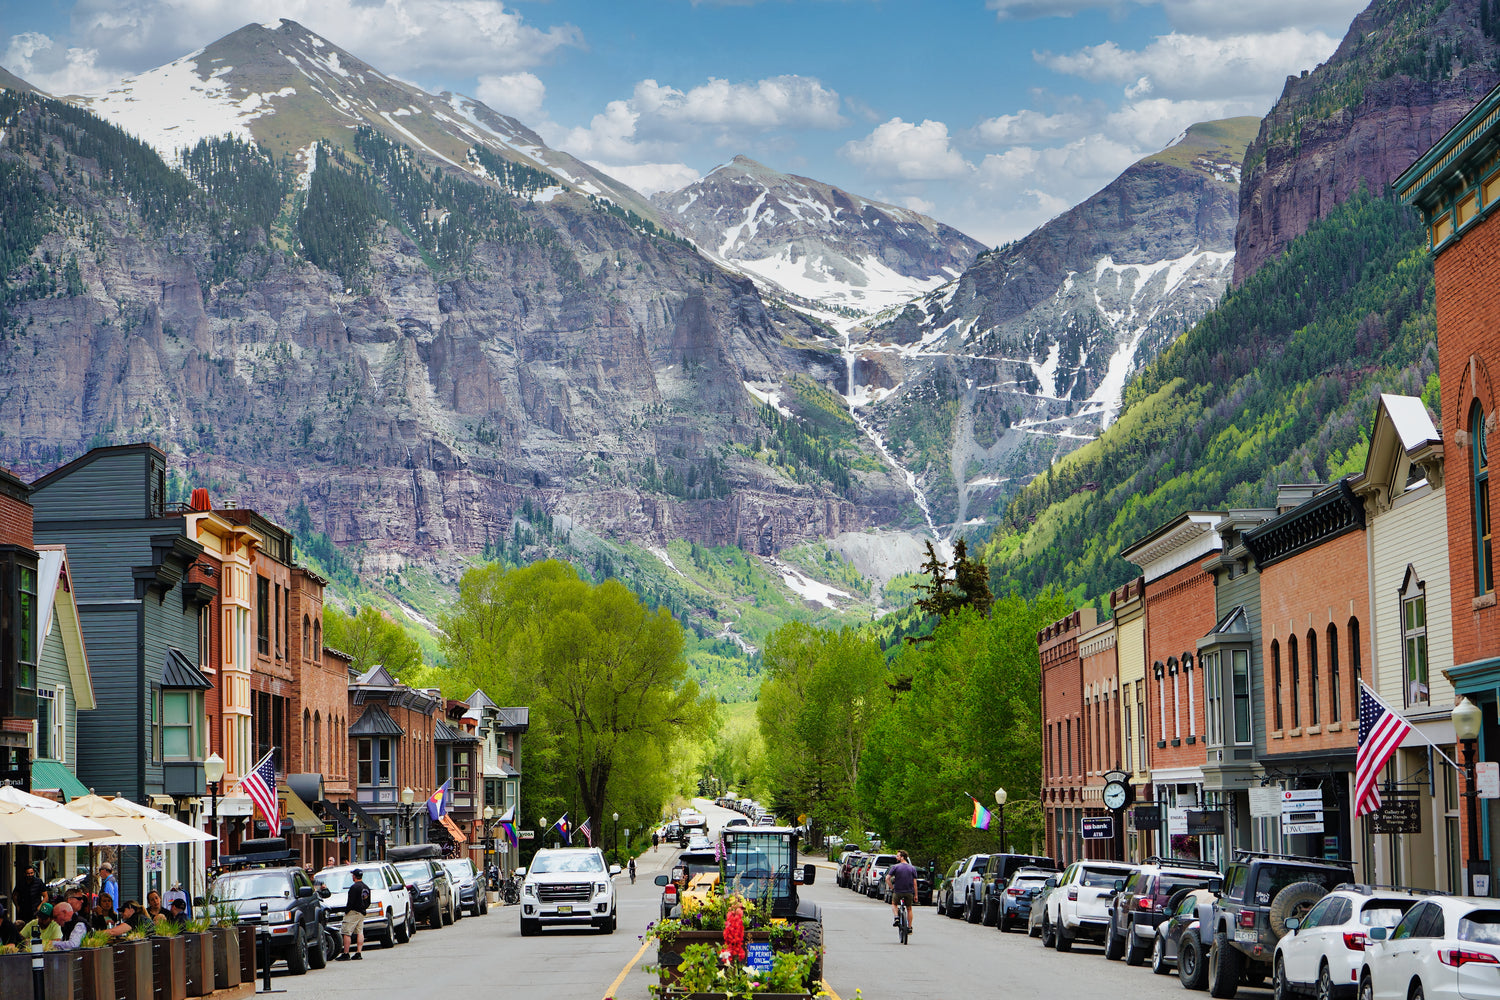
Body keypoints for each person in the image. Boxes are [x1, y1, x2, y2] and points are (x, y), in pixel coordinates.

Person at [337, 868, 370, 961]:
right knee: (360, 931)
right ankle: (358, 952)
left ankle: (346, 953)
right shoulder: (366, 887)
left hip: (353, 912)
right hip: (362, 912)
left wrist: (347, 911)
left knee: (346, 932)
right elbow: (368, 901)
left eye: (353, 875)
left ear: (354, 876)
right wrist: (363, 908)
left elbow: (350, 902)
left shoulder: (354, 887)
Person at [885, 850, 919, 934]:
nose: (896, 857)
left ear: (902, 857)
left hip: (898, 891)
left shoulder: (895, 867)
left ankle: (896, 917)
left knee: (894, 904)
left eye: (898, 856)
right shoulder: (912, 868)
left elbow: (887, 879)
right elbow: (915, 883)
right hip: (909, 892)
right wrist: (916, 895)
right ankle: (910, 927)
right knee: (909, 909)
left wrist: (892, 888)